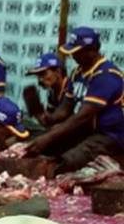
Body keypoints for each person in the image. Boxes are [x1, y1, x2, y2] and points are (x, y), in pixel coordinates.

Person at [25, 27, 123, 172]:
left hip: (110, 135)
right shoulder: (77, 73)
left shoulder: (106, 75)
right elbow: (65, 109)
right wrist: (47, 118)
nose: (73, 56)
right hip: (86, 131)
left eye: (77, 52)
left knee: (66, 162)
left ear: (91, 50)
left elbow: (83, 116)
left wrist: (49, 137)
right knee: (43, 148)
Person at [24, 52, 70, 129]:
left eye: (43, 74)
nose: (40, 80)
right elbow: (48, 124)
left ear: (58, 72)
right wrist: (36, 111)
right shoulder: (52, 93)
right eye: (38, 76)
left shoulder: (71, 88)